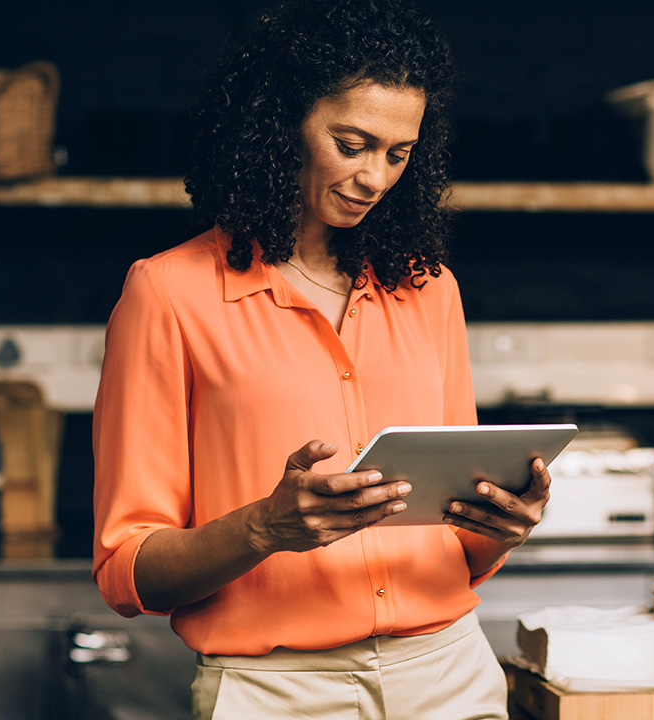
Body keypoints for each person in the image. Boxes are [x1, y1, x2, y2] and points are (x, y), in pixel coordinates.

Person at [90, 2, 551, 718]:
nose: (374, 177)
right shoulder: (168, 294)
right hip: (278, 692)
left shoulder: (430, 291)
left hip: (450, 672)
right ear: (281, 126)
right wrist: (263, 528)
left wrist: (501, 525)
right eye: (353, 143)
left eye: (398, 154)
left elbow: (456, 541)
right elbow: (127, 571)